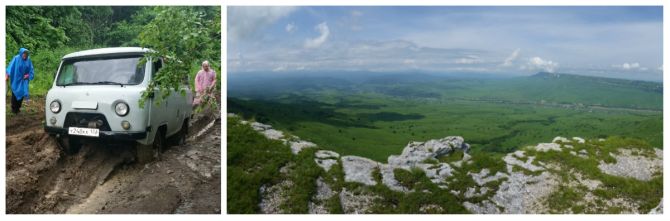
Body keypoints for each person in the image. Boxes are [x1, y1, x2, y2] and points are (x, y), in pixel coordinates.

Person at [6, 48, 35, 114]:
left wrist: (27, 76)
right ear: (21, 53)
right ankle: (14, 109)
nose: (25, 56)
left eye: (26, 54)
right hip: (16, 79)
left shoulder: (28, 60)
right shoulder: (16, 58)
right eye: (24, 54)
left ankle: (18, 108)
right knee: (15, 92)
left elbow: (31, 70)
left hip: (23, 80)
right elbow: (11, 67)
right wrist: (7, 75)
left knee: (22, 93)